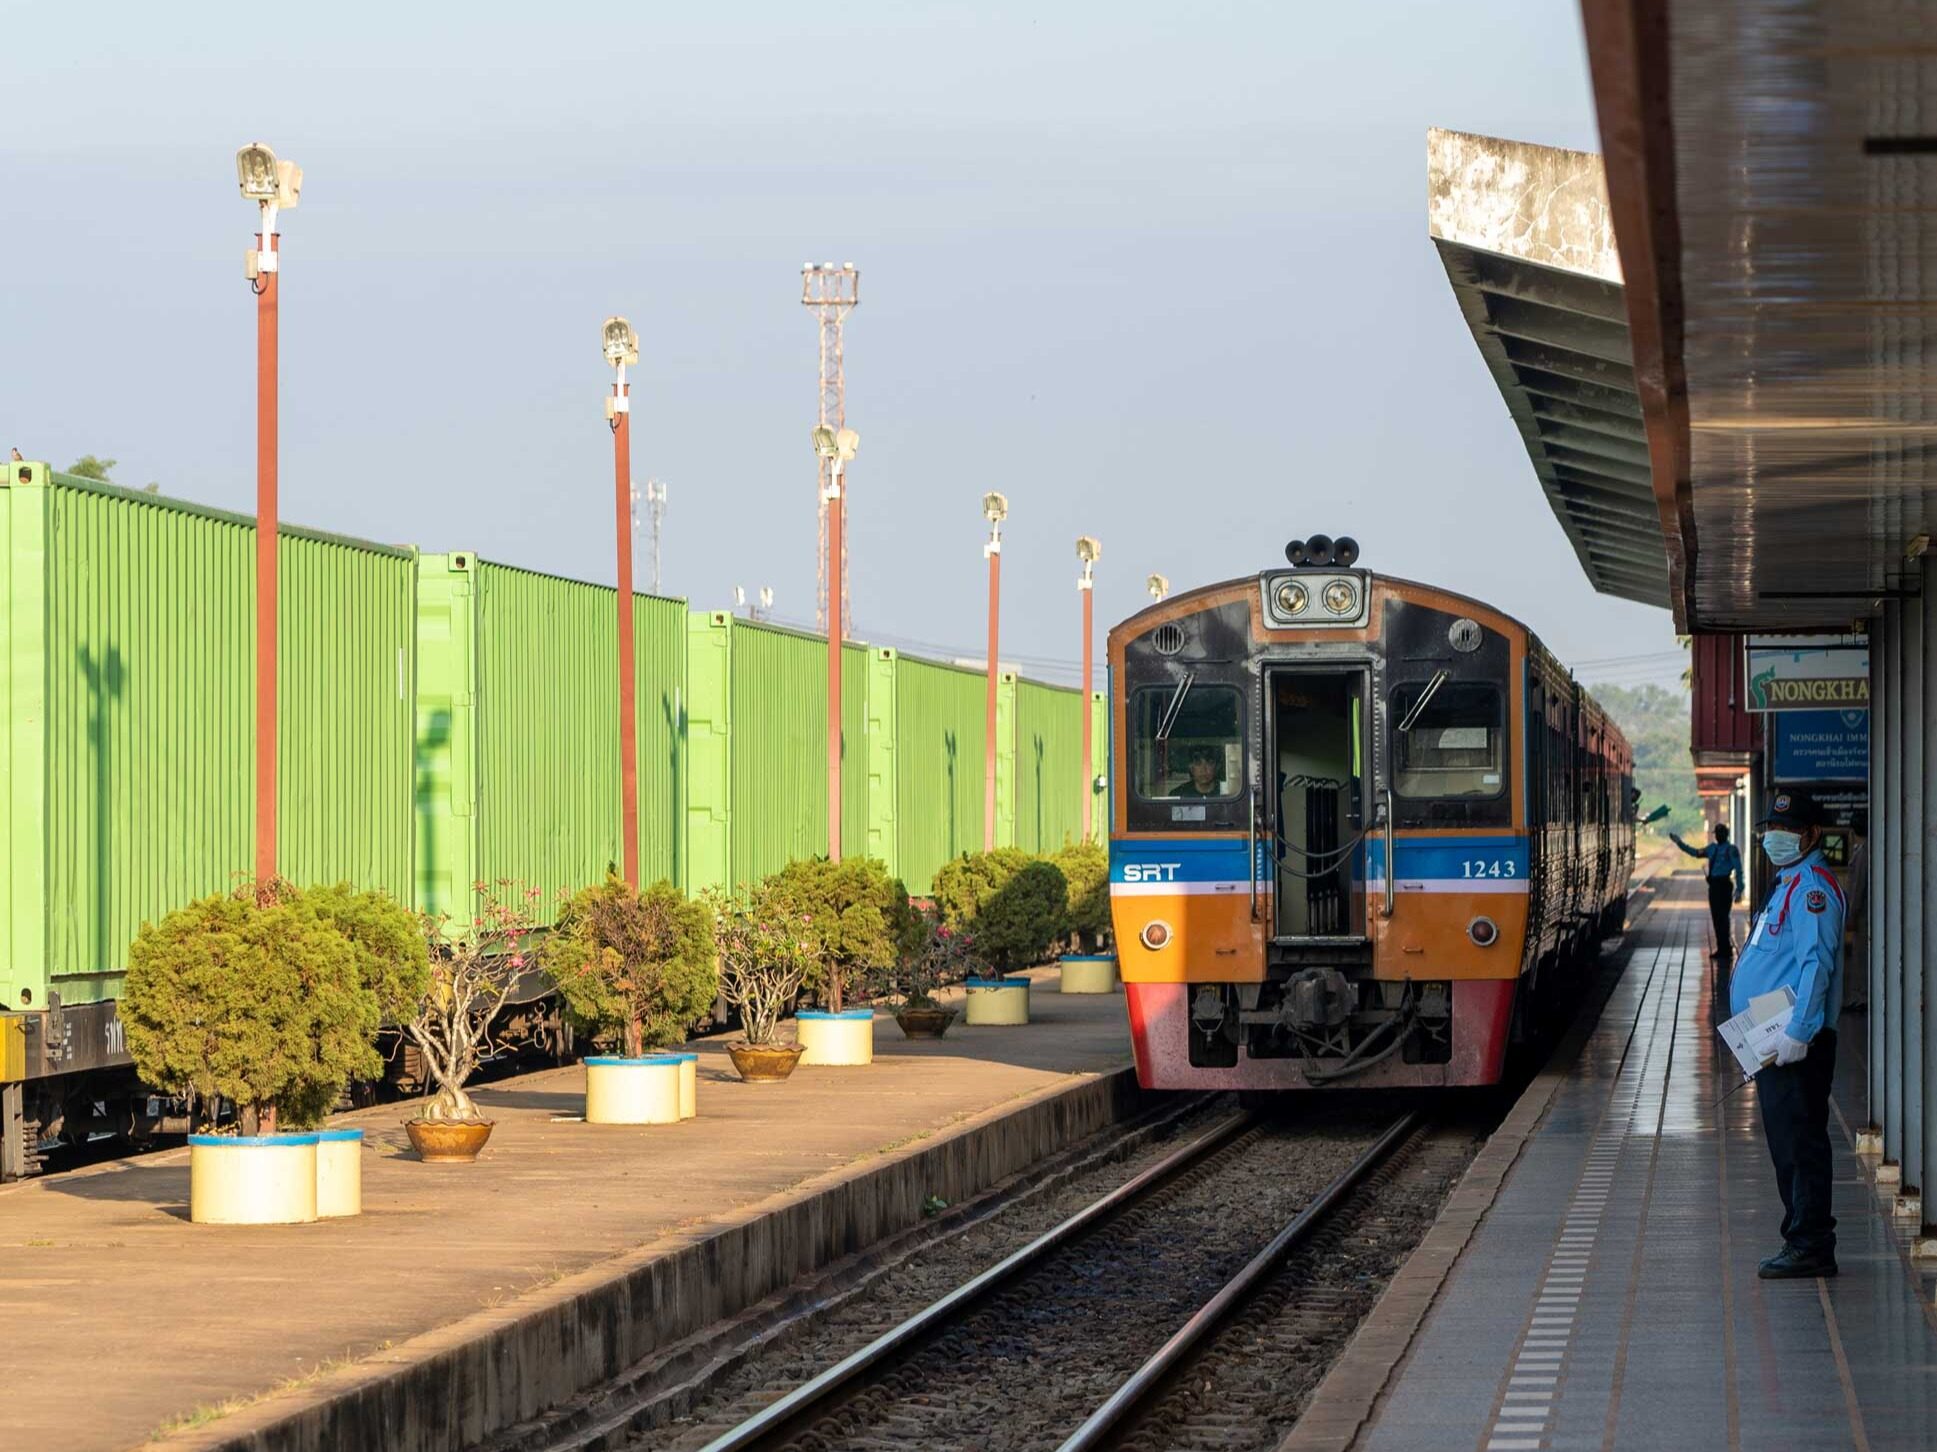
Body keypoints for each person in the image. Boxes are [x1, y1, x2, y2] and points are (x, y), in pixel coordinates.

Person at [1730, 789, 1845, 1279]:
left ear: (1811, 834)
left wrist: (1798, 1032)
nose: (1774, 838)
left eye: (1787, 830)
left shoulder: (1813, 889)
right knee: (1786, 1142)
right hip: (1771, 1038)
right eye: (1769, 830)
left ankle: (1811, 1244)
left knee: (1800, 1143)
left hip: (1795, 1043)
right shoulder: (1789, 883)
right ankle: (1799, 1235)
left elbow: (1815, 964)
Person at [1669, 821, 1744, 959]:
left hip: (1724, 885)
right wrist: (1679, 843)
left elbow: (1738, 870)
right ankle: (1722, 948)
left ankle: (1725, 948)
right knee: (1717, 918)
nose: (1718, 836)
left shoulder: (1731, 849)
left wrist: (1739, 889)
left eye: (1720, 833)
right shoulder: (1712, 849)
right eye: (1717, 833)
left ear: (1724, 835)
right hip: (1714, 886)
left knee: (1723, 917)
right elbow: (1695, 852)